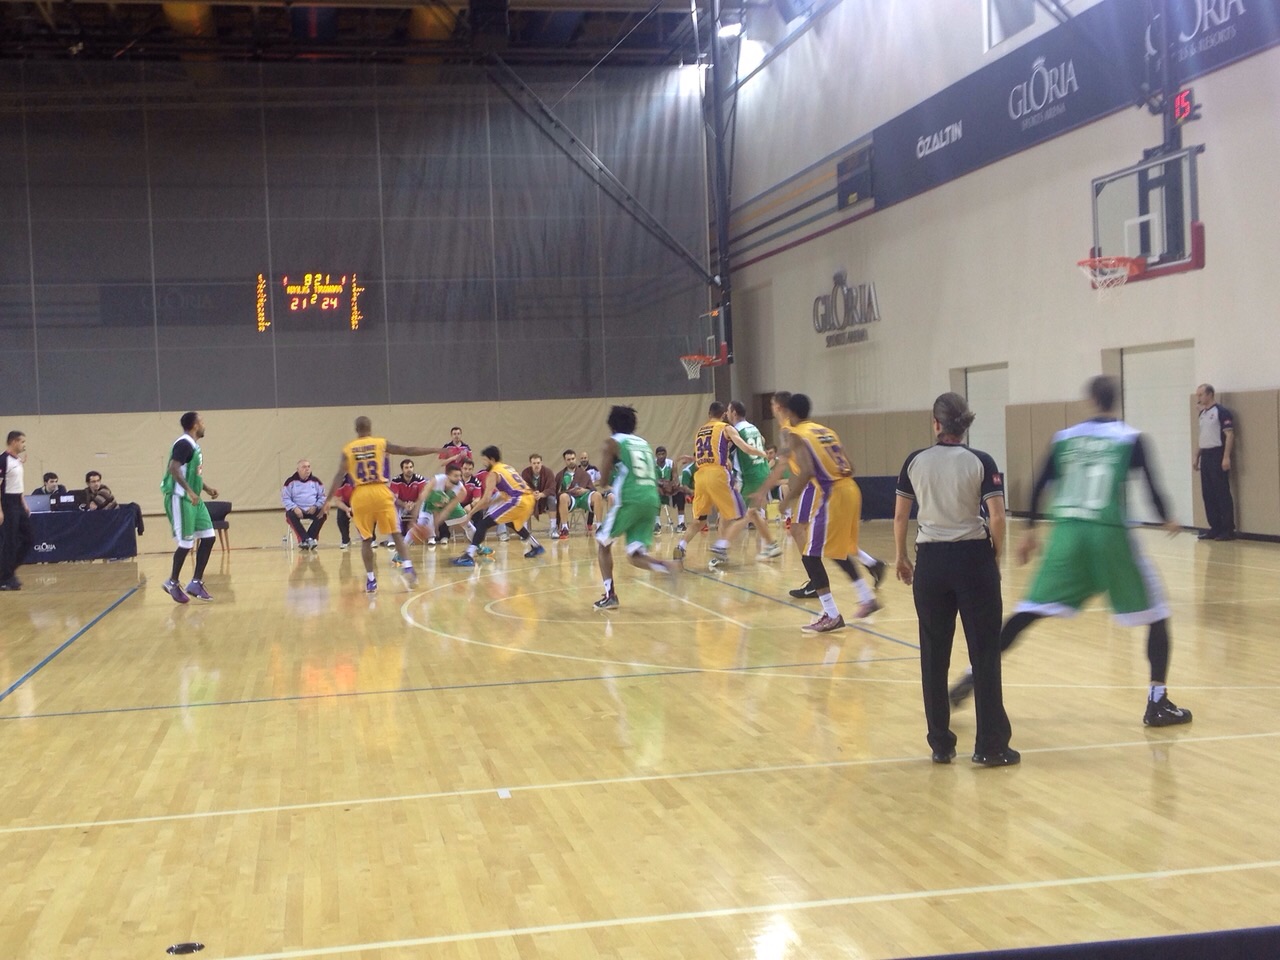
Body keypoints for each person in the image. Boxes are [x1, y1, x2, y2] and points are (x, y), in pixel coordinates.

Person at [950, 375, 1193, 728]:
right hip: (1108, 535)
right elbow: (1152, 486)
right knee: (1157, 613)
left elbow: (1039, 484)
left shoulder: (1065, 438)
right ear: (1115, 400)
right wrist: (1167, 516)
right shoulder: (1130, 438)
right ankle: (1158, 702)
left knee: (1029, 611)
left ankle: (973, 674)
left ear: (1091, 401)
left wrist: (1030, 531)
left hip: (1066, 534)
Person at [894, 393, 1016, 766]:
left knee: (933, 655)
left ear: (936, 423)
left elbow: (900, 516)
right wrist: (994, 557)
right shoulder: (981, 461)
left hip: (930, 562)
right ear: (965, 426)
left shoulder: (915, 461)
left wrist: (901, 556)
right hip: (972, 559)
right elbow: (997, 516)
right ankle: (990, 746)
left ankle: (941, 744)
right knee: (985, 653)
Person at [763, 394, 879, 631]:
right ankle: (867, 597)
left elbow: (806, 471)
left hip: (831, 493)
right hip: (851, 489)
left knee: (809, 554)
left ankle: (831, 614)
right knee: (836, 549)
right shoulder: (826, 431)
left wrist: (787, 500)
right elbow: (850, 466)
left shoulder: (796, 434)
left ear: (790, 413)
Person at [326, 416, 444, 595]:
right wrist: (435, 449)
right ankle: (408, 568)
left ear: (356, 430)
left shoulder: (348, 449)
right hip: (381, 491)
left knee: (366, 540)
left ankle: (371, 580)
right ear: (370, 428)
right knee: (396, 533)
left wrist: (328, 499)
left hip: (361, 495)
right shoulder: (380, 443)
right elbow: (407, 450)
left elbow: (338, 475)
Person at [591, 406, 681, 609]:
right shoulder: (644, 444)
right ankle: (667, 567)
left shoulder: (613, 442)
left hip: (630, 499)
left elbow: (603, 481)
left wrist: (609, 474)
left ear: (611, 425)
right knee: (634, 555)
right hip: (651, 499)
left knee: (603, 544)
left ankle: (610, 595)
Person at [676, 401, 766, 569]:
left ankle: (681, 545)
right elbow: (745, 448)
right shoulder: (725, 428)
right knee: (742, 515)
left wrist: (693, 459)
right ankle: (721, 546)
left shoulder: (700, 431)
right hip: (717, 475)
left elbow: (709, 453)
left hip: (700, 477)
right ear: (724, 414)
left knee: (700, 520)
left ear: (709, 414)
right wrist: (761, 453)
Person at [160, 412, 221, 604]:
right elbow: (173, 468)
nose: (204, 425)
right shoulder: (184, 443)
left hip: (194, 498)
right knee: (186, 543)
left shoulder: (193, 445)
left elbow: (191, 473)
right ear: (195, 425)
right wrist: (189, 492)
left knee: (209, 537)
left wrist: (206, 488)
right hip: (181, 498)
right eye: (201, 421)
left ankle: (196, 582)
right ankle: (172, 582)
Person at [451, 446, 545, 566]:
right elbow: (500, 496)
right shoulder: (507, 467)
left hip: (518, 500)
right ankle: (536, 546)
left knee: (483, 524)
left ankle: (468, 555)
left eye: (485, 460)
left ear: (491, 459)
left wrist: (470, 513)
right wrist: (490, 504)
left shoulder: (494, 473)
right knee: (510, 522)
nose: (484, 463)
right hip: (528, 499)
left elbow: (485, 499)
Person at [727, 400, 781, 560]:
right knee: (752, 513)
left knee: (738, 514)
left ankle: (721, 548)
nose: (727, 414)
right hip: (762, 471)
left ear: (734, 412)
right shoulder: (753, 428)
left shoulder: (735, 430)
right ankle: (771, 545)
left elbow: (742, 448)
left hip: (749, 476)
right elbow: (762, 440)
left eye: (728, 411)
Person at [1194, 383, 1236, 541]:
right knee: (1208, 493)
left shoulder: (1221, 412)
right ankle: (1215, 527)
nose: (1198, 398)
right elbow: (1203, 436)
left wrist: (1226, 457)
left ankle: (1228, 529)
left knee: (1221, 493)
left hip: (1217, 454)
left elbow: (1230, 435)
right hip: (1206, 455)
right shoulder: (1202, 414)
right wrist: (1197, 456)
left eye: (1201, 394)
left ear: (1210, 394)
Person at [0, 430, 34, 591]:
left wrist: (23, 502)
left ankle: (7, 571)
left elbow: (17, 483)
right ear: (13, 442)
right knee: (10, 542)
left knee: (29, 539)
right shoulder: (3, 460)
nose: (24, 445)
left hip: (18, 503)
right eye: (22, 442)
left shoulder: (17, 460)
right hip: (7, 503)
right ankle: (5, 578)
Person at [281, 459, 327, 548]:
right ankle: (303, 539)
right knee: (290, 515)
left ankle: (310, 538)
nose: (307, 469)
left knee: (323, 513)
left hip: (312, 509)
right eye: (304, 467)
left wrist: (316, 506)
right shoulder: (290, 482)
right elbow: (285, 498)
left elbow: (322, 497)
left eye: (308, 467)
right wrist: (295, 508)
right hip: (297, 510)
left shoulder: (316, 481)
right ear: (298, 469)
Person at [555, 449, 594, 539]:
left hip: (582, 499)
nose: (571, 461)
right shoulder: (560, 475)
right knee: (563, 498)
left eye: (573, 459)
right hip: (568, 500)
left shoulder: (583, 474)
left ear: (575, 459)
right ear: (565, 461)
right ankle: (564, 527)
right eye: (568, 459)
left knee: (596, 496)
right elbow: (556, 491)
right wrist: (569, 491)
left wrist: (585, 490)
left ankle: (596, 526)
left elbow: (591, 488)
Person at [388, 459, 427, 544]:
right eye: (406, 467)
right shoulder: (396, 480)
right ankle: (392, 540)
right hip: (401, 504)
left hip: (416, 504)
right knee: (391, 507)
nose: (409, 469)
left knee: (426, 508)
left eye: (411, 467)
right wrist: (404, 504)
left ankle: (430, 538)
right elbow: (394, 498)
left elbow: (421, 496)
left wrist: (414, 504)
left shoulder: (419, 479)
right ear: (402, 469)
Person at [521, 454, 559, 538]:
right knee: (523, 500)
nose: (536, 465)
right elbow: (523, 487)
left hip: (544, 499)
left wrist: (541, 494)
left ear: (541, 463)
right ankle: (524, 531)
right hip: (531, 498)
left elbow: (552, 488)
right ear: (530, 464)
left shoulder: (548, 472)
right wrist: (532, 494)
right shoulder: (525, 473)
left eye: (538, 463)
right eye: (534, 463)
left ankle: (553, 528)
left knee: (552, 499)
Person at [653, 446, 687, 534]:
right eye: (659, 454)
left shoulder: (671, 463)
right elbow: (651, 479)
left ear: (666, 454)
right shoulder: (652, 464)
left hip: (669, 492)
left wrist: (673, 485)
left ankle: (681, 523)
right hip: (658, 490)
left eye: (663, 454)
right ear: (656, 455)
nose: (661, 456)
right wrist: (661, 484)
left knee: (680, 493)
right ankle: (657, 524)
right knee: (654, 492)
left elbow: (676, 478)